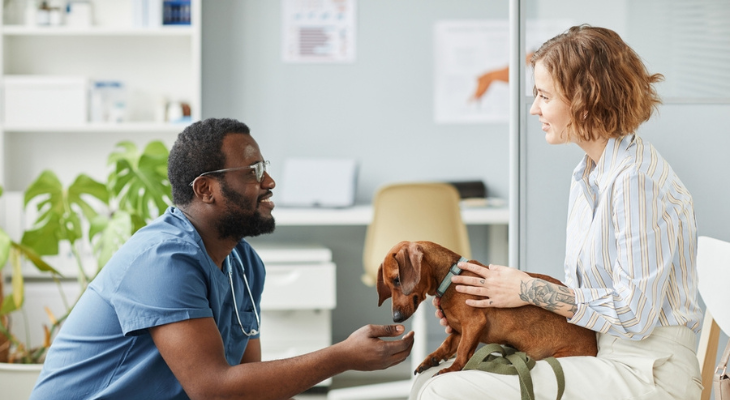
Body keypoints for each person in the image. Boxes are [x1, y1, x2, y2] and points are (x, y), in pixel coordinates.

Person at [411, 25, 703, 400]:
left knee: (444, 390)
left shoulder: (636, 181)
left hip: (649, 372)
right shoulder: (588, 174)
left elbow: (634, 315)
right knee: (431, 376)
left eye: (544, 96)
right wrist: (485, 310)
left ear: (585, 99)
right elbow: (591, 297)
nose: (534, 108)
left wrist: (527, 289)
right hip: (606, 353)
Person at [30, 118, 414, 400]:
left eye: (265, 169)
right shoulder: (161, 261)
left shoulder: (243, 263)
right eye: (253, 171)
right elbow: (213, 389)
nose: (269, 182)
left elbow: (247, 382)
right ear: (206, 189)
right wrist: (341, 356)